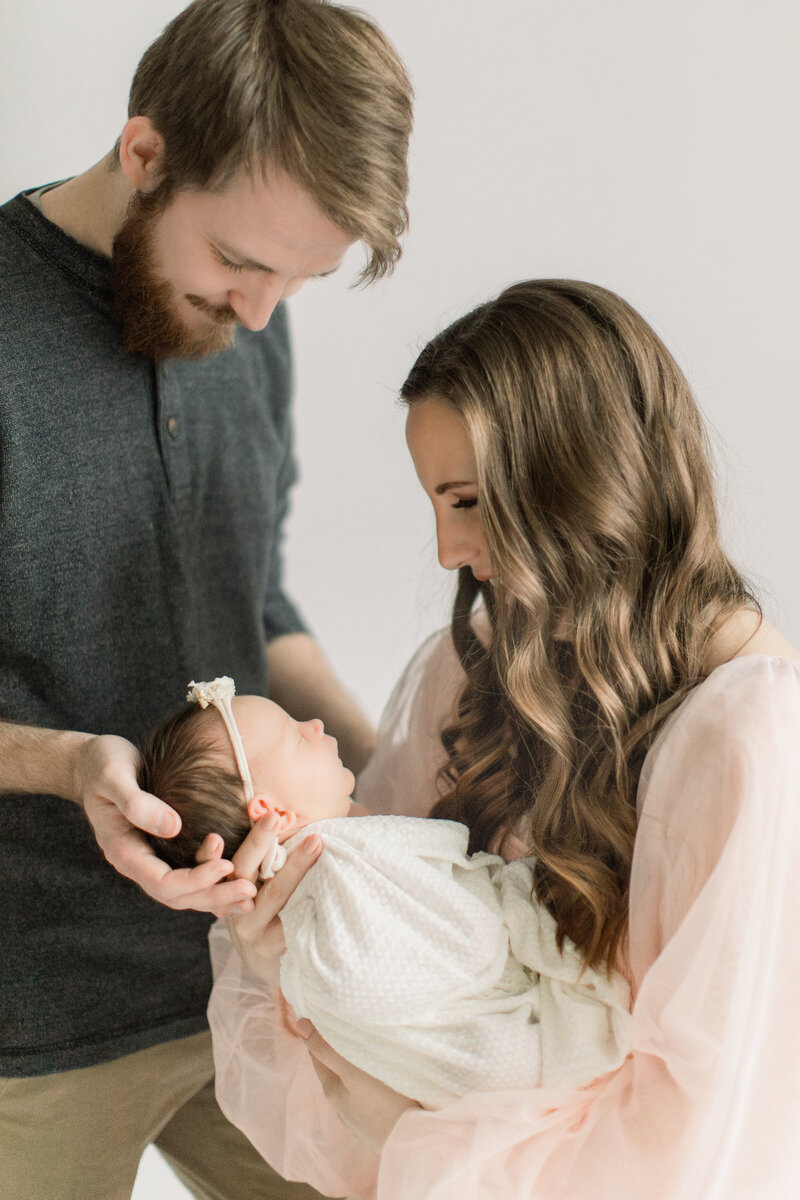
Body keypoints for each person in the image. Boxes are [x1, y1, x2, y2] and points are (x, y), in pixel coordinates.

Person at [212, 280, 800, 1199]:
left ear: (585, 481)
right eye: (438, 504)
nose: (448, 551)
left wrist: (409, 1125)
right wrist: (286, 945)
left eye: (471, 501)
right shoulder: (478, 664)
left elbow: (692, 1143)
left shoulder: (749, 741)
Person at [0, 2, 412, 1197]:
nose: (261, 315)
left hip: (269, 983)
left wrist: (393, 768)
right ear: (145, 156)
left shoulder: (250, 327)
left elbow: (257, 608)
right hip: (34, 1022)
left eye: (300, 279)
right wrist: (75, 765)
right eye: (238, 261)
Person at [137, 676, 630, 1110]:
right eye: (294, 734)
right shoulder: (331, 872)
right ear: (273, 813)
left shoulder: (337, 856)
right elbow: (382, 973)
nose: (312, 724)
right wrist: (509, 912)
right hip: (496, 1045)